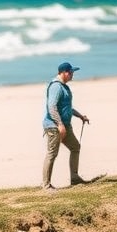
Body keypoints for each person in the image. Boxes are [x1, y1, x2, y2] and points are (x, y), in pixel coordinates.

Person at [41, 61, 90, 190]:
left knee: (75, 147)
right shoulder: (56, 87)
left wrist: (80, 116)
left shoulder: (64, 86)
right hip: (54, 125)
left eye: (72, 72)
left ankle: (74, 178)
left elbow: (67, 108)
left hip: (64, 125)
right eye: (70, 72)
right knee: (52, 153)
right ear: (63, 73)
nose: (72, 74)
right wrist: (60, 124)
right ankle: (46, 185)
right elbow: (52, 107)